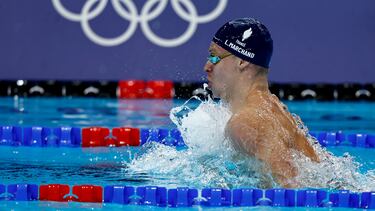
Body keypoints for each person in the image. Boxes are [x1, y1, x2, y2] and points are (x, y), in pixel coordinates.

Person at [204, 18, 319, 187]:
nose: (207, 66)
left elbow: (293, 188)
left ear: (242, 61)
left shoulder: (244, 122)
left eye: (214, 57)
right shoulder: (275, 109)